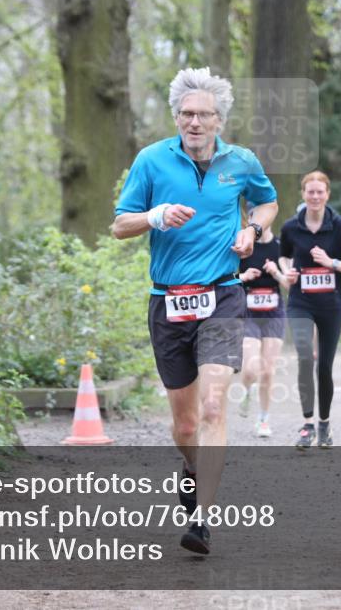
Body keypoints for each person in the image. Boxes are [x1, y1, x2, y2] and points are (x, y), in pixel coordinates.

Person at [112, 67, 278, 554]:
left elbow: (267, 203)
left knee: (212, 406)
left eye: (204, 115)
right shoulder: (151, 161)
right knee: (185, 426)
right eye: (186, 114)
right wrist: (155, 216)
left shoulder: (241, 162)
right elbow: (120, 226)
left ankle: (202, 519)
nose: (195, 122)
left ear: (219, 120)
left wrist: (252, 229)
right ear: (176, 117)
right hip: (168, 300)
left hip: (222, 294)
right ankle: (190, 466)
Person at [278, 171, 341, 450]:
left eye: (320, 192)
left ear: (327, 194)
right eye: (310, 192)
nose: (315, 196)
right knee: (305, 356)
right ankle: (307, 424)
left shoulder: (339, 226)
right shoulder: (291, 227)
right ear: (303, 194)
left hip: (330, 305)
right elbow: (283, 256)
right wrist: (287, 271)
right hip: (300, 302)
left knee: (324, 366)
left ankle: (324, 423)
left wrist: (331, 263)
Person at [237, 220, 288, 437]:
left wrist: (276, 273)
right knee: (250, 370)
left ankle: (263, 419)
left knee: (267, 371)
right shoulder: (243, 245)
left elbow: (290, 285)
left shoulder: (281, 247)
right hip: (249, 313)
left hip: (274, 314)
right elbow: (226, 279)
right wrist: (244, 277)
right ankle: (247, 390)